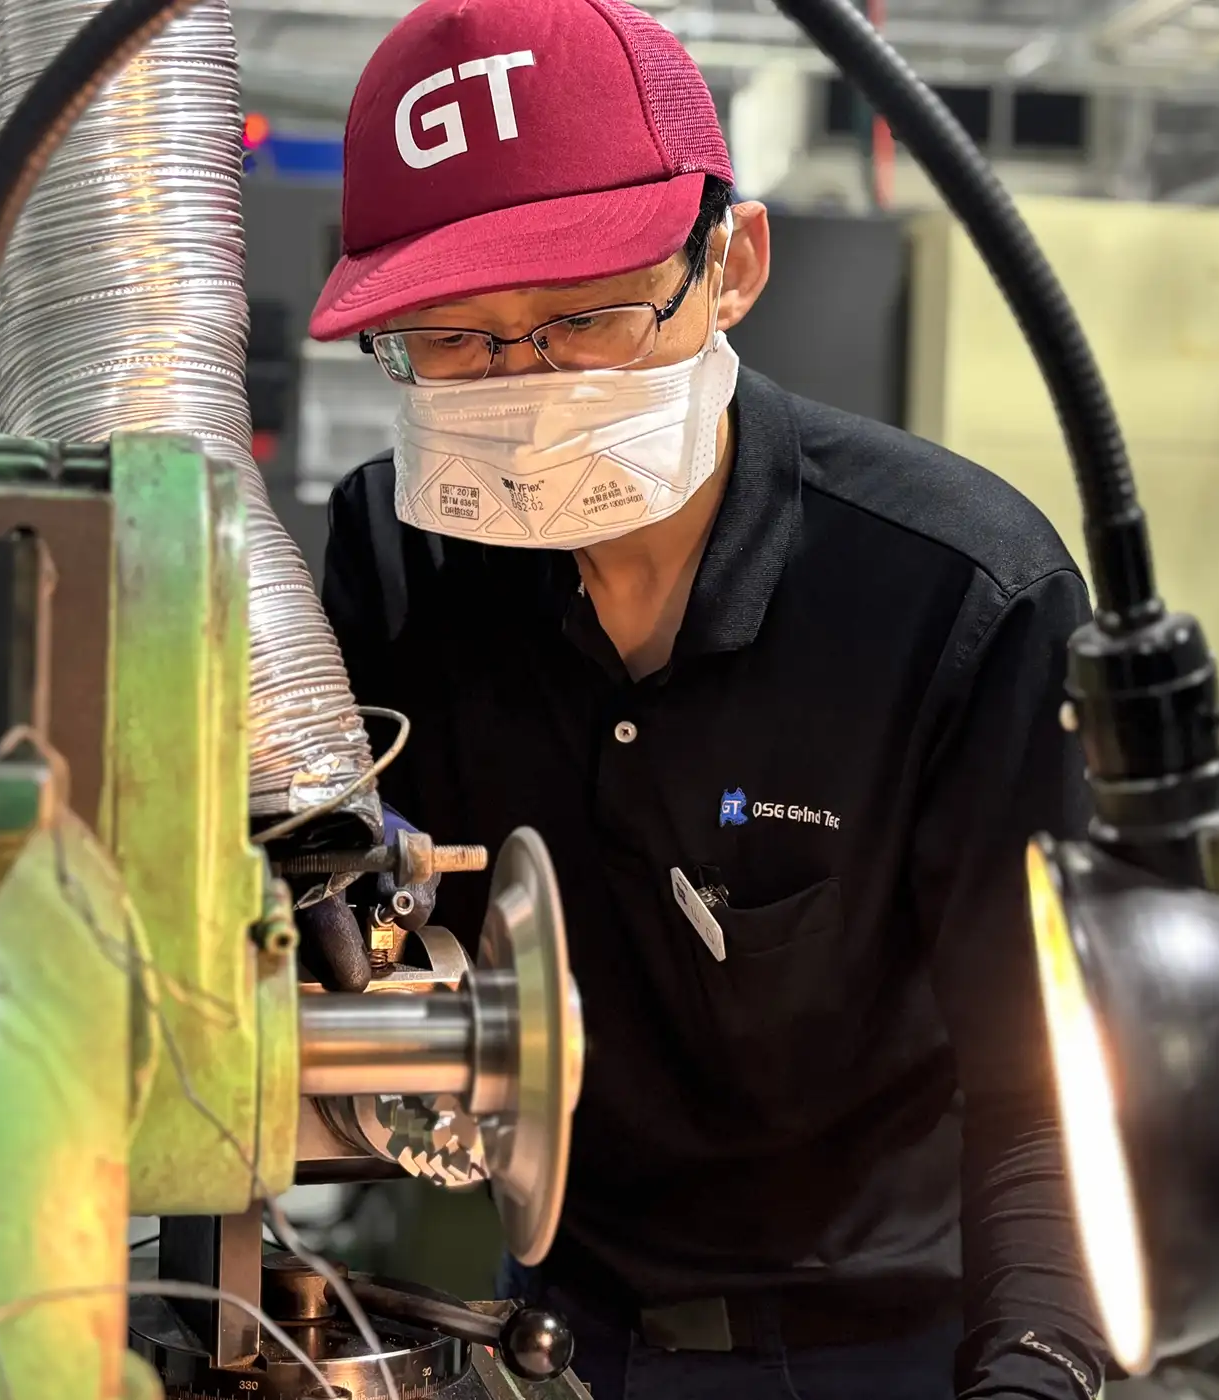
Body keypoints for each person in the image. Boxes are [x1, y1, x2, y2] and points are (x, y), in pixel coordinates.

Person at [300, 0, 1109, 1397]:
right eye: (455, 339)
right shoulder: (400, 559)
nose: (524, 386)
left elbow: (1047, 1090)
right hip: (553, 1328)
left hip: (892, 1346)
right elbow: (334, 922)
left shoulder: (956, 596)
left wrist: (1037, 1366)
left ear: (731, 264)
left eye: (585, 318)